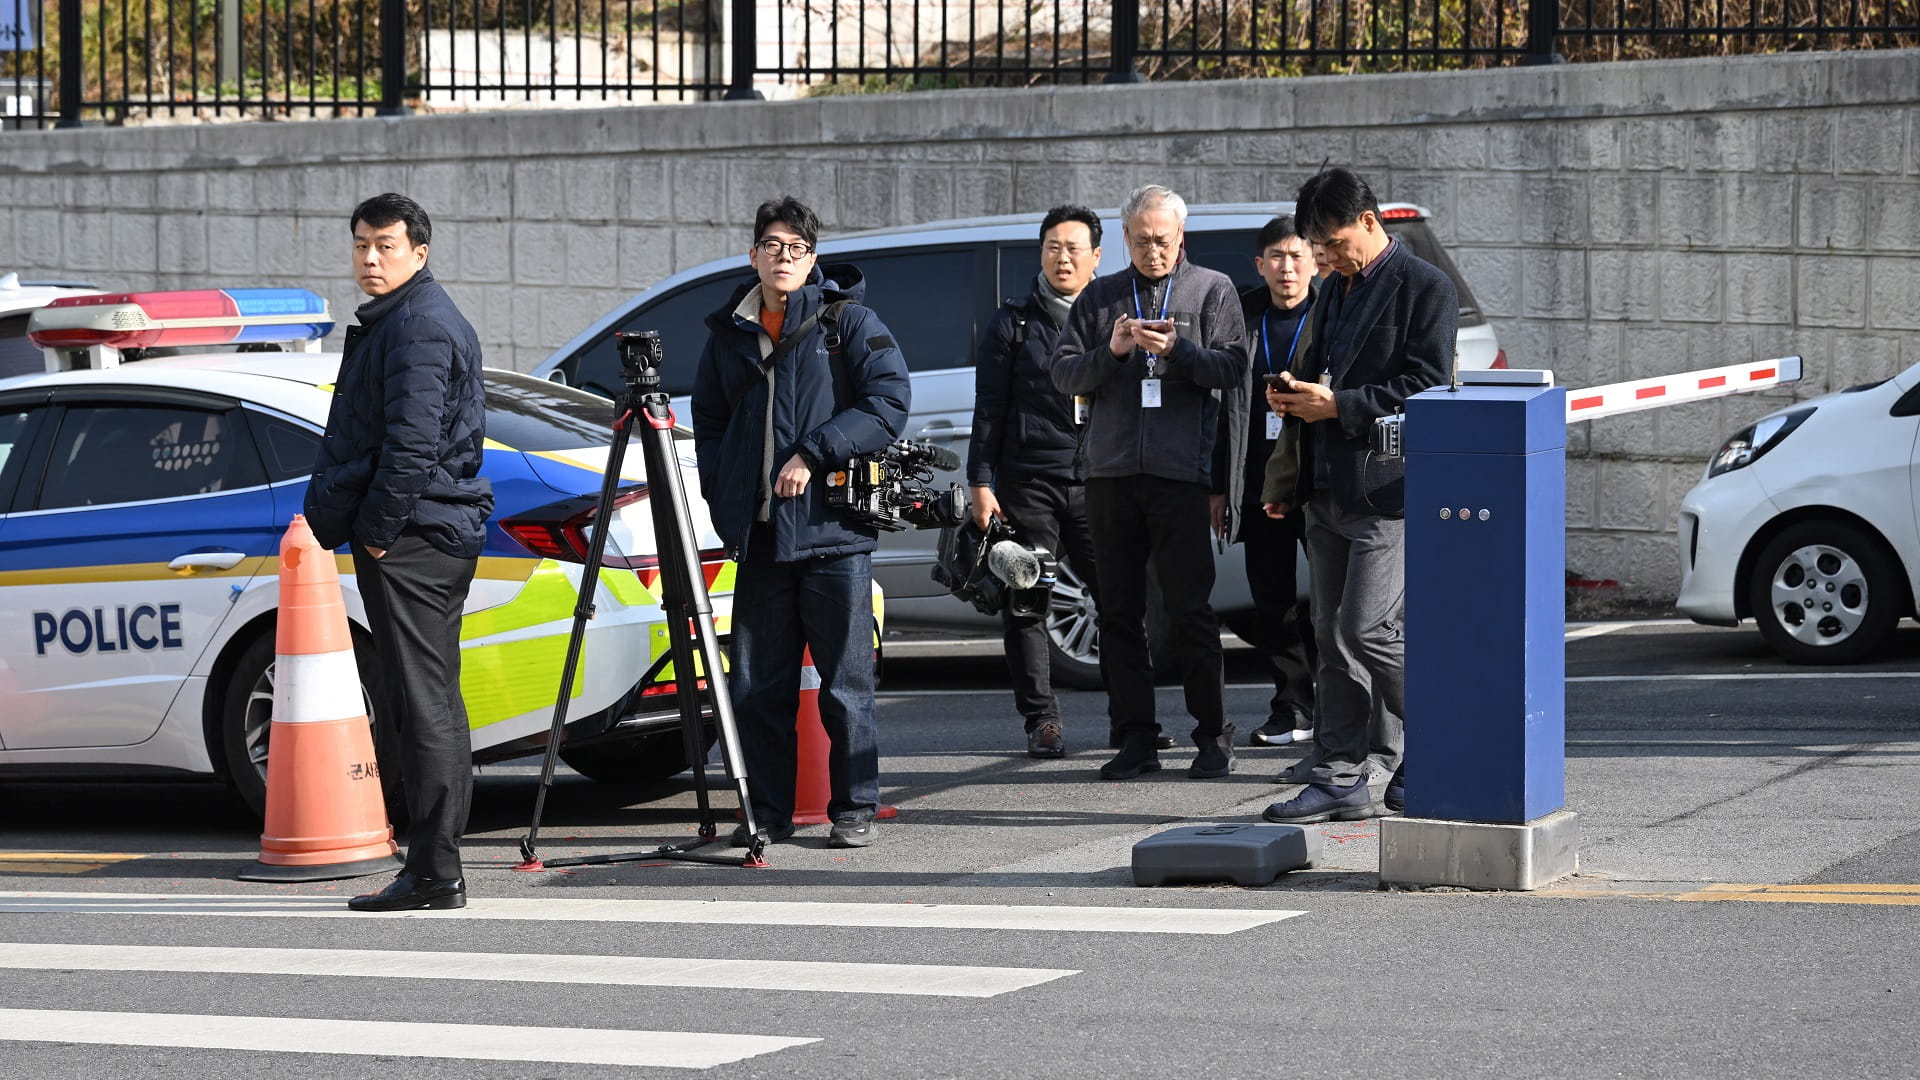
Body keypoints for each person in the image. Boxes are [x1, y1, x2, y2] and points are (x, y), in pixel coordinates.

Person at [690, 196, 910, 849]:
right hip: (759, 539)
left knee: (845, 685)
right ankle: (766, 812)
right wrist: (724, 494)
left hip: (833, 536)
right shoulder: (729, 331)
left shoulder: (849, 321)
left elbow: (889, 403)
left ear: (811, 258)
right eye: (771, 245)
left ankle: (854, 808)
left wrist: (814, 453)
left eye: (796, 248)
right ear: (753, 253)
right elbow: (711, 424)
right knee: (759, 688)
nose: (783, 257)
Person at [306, 193, 493, 912]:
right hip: (422, 531)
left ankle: (436, 869)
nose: (370, 258)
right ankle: (434, 863)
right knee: (430, 697)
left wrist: (378, 530)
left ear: (419, 251)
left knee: (423, 704)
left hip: (415, 535)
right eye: (360, 245)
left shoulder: (418, 326)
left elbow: (413, 445)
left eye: (384, 245)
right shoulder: (404, 319)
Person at [1260, 168, 1457, 824]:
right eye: (1317, 246)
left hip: (1387, 491)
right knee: (1330, 638)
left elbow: (1428, 386)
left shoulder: (1424, 287)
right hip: (1325, 486)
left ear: (1371, 222)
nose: (1326, 257)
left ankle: (1451, 736)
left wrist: (1337, 406)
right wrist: (1298, 396)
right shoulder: (1333, 291)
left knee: (1367, 627)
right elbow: (1329, 374)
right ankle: (1342, 774)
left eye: (1334, 242)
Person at [1051, 184, 1250, 781]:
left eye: (1163, 241)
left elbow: (1235, 368)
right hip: (1110, 477)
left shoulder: (1212, 289)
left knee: (1190, 609)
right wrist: (1110, 353)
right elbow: (1062, 374)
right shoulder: (1102, 296)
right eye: (1142, 241)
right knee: (1118, 613)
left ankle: (1213, 735)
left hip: (1180, 474)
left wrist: (1182, 351)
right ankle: (1135, 737)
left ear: (1180, 238)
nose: (1153, 251)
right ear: (1126, 240)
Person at [965, 205, 1111, 759]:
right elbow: (989, 409)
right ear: (1041, 253)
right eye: (1053, 246)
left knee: (1117, 601)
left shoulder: (1113, 318)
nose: (1063, 257)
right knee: (1027, 600)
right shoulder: (1014, 322)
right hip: (1030, 482)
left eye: (1075, 247)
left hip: (1099, 479)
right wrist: (981, 480)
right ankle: (1042, 722)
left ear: (1096, 257)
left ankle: (1133, 720)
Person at [1212, 216, 1319, 750]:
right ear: (1260, 264)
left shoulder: (1331, 314)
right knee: (1271, 600)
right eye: (1276, 257)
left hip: (1319, 481)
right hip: (1257, 482)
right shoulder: (1242, 317)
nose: (1287, 267)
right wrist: (1218, 487)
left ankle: (1345, 704)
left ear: (1315, 261)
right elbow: (1218, 410)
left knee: (1335, 602)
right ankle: (1294, 705)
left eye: (1298, 256)